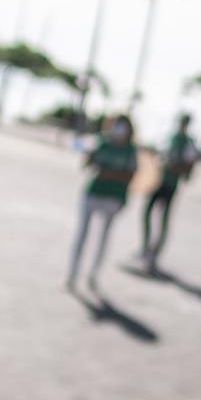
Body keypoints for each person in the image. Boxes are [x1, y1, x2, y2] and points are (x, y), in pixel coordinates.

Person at [68, 113, 138, 290]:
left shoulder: (131, 151)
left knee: (103, 238)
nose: (119, 129)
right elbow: (88, 165)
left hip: (113, 198)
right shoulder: (102, 142)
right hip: (93, 193)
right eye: (117, 125)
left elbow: (129, 176)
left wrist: (108, 173)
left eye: (123, 126)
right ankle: (72, 274)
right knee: (82, 235)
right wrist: (89, 155)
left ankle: (93, 274)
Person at [140, 112, 198, 267]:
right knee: (146, 213)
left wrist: (175, 167)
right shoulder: (170, 137)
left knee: (163, 219)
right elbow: (159, 155)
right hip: (158, 181)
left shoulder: (189, 143)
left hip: (171, 185)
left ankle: (155, 252)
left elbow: (189, 168)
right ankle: (145, 247)